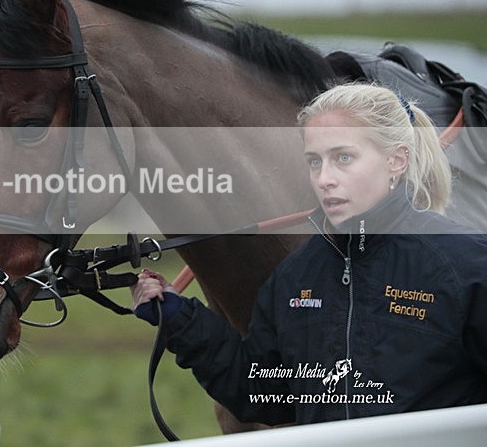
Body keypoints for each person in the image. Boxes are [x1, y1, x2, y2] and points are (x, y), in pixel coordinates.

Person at [131, 83, 487, 425]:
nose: (324, 178)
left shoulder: (466, 265)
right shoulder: (295, 277)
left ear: (396, 160)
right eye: (315, 162)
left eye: (343, 158)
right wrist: (180, 318)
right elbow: (265, 393)